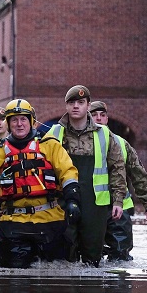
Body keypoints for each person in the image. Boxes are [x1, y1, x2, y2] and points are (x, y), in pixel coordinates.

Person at [0, 99, 81, 268]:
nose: (19, 124)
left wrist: (72, 200)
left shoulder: (50, 146)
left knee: (55, 281)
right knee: (14, 285)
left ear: (31, 121)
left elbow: (67, 172)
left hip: (50, 221)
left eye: (23, 119)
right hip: (13, 223)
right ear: (8, 123)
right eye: (14, 120)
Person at [44, 85, 127, 267]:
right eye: (71, 102)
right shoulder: (54, 133)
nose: (76, 106)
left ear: (88, 105)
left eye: (80, 102)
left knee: (93, 255)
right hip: (62, 200)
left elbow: (118, 168)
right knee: (64, 254)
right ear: (66, 106)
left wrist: (118, 201)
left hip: (96, 204)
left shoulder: (104, 134)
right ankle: (66, 292)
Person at [89, 100, 147, 261]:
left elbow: (138, 173)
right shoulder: (80, 144)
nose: (99, 119)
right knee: (91, 257)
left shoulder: (121, 143)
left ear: (107, 119)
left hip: (120, 208)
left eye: (102, 115)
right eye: (94, 115)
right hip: (92, 208)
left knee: (121, 256)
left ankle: (119, 285)